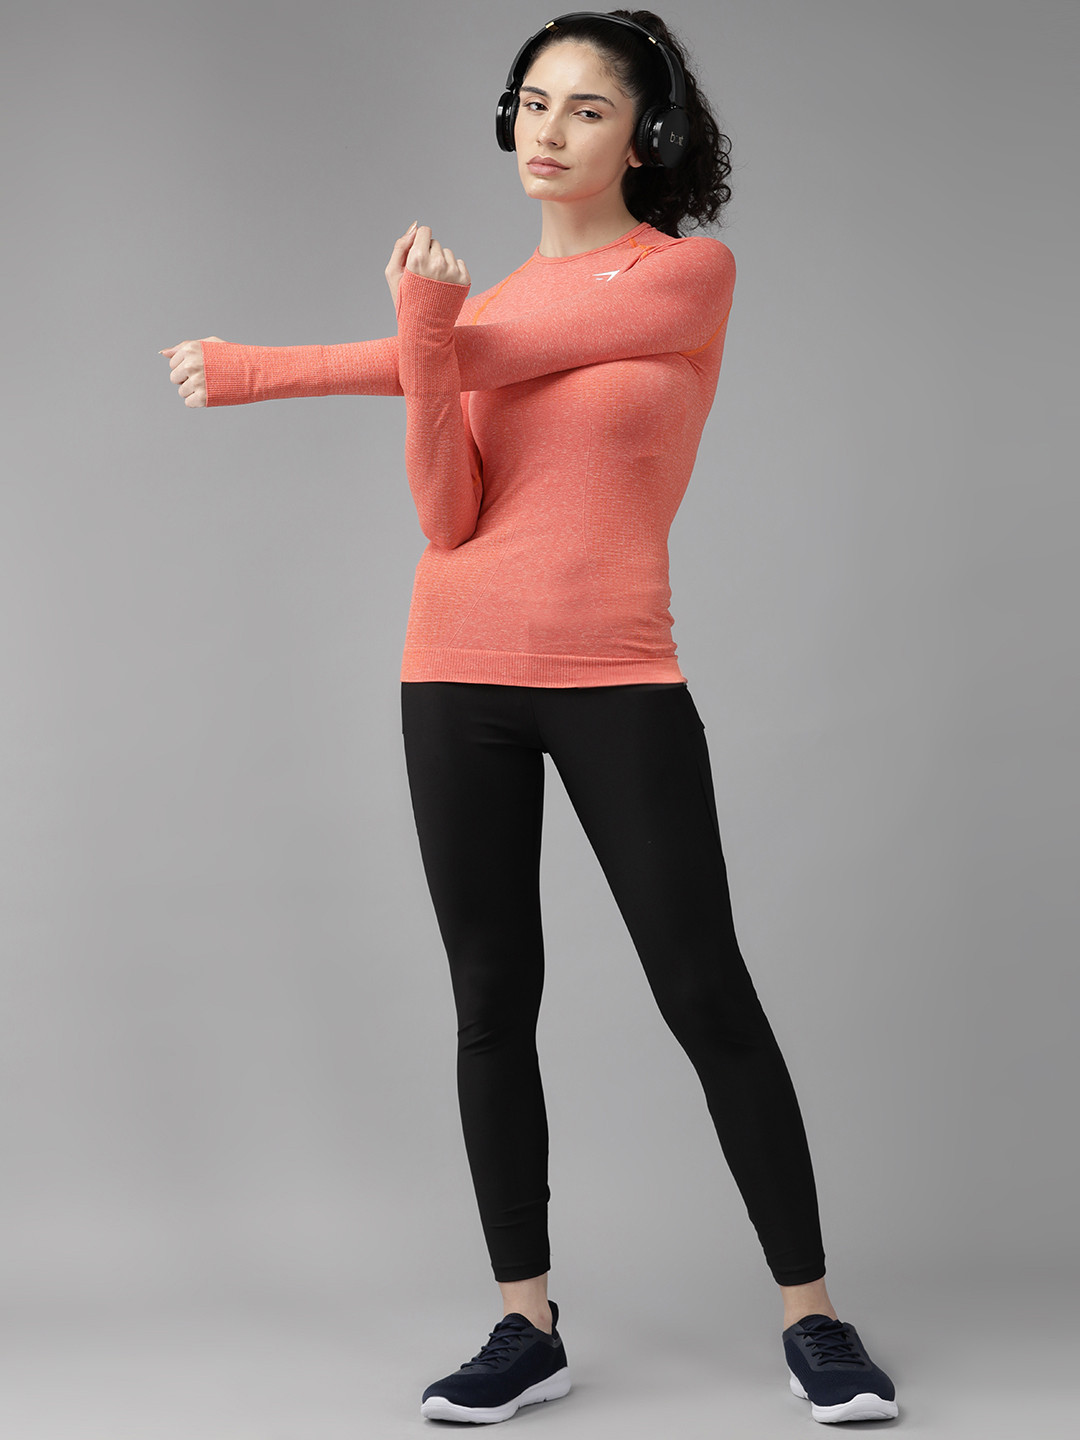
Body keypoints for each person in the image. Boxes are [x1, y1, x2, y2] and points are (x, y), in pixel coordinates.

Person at [160, 7, 900, 1428]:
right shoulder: (475, 311)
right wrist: (428, 342)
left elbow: (496, 351)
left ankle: (815, 1318)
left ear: (649, 137)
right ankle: (526, 1324)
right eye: (534, 102)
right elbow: (448, 515)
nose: (549, 132)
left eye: (588, 109)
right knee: (492, 1002)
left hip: (619, 677)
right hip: (454, 673)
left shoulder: (685, 277)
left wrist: (270, 366)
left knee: (705, 992)